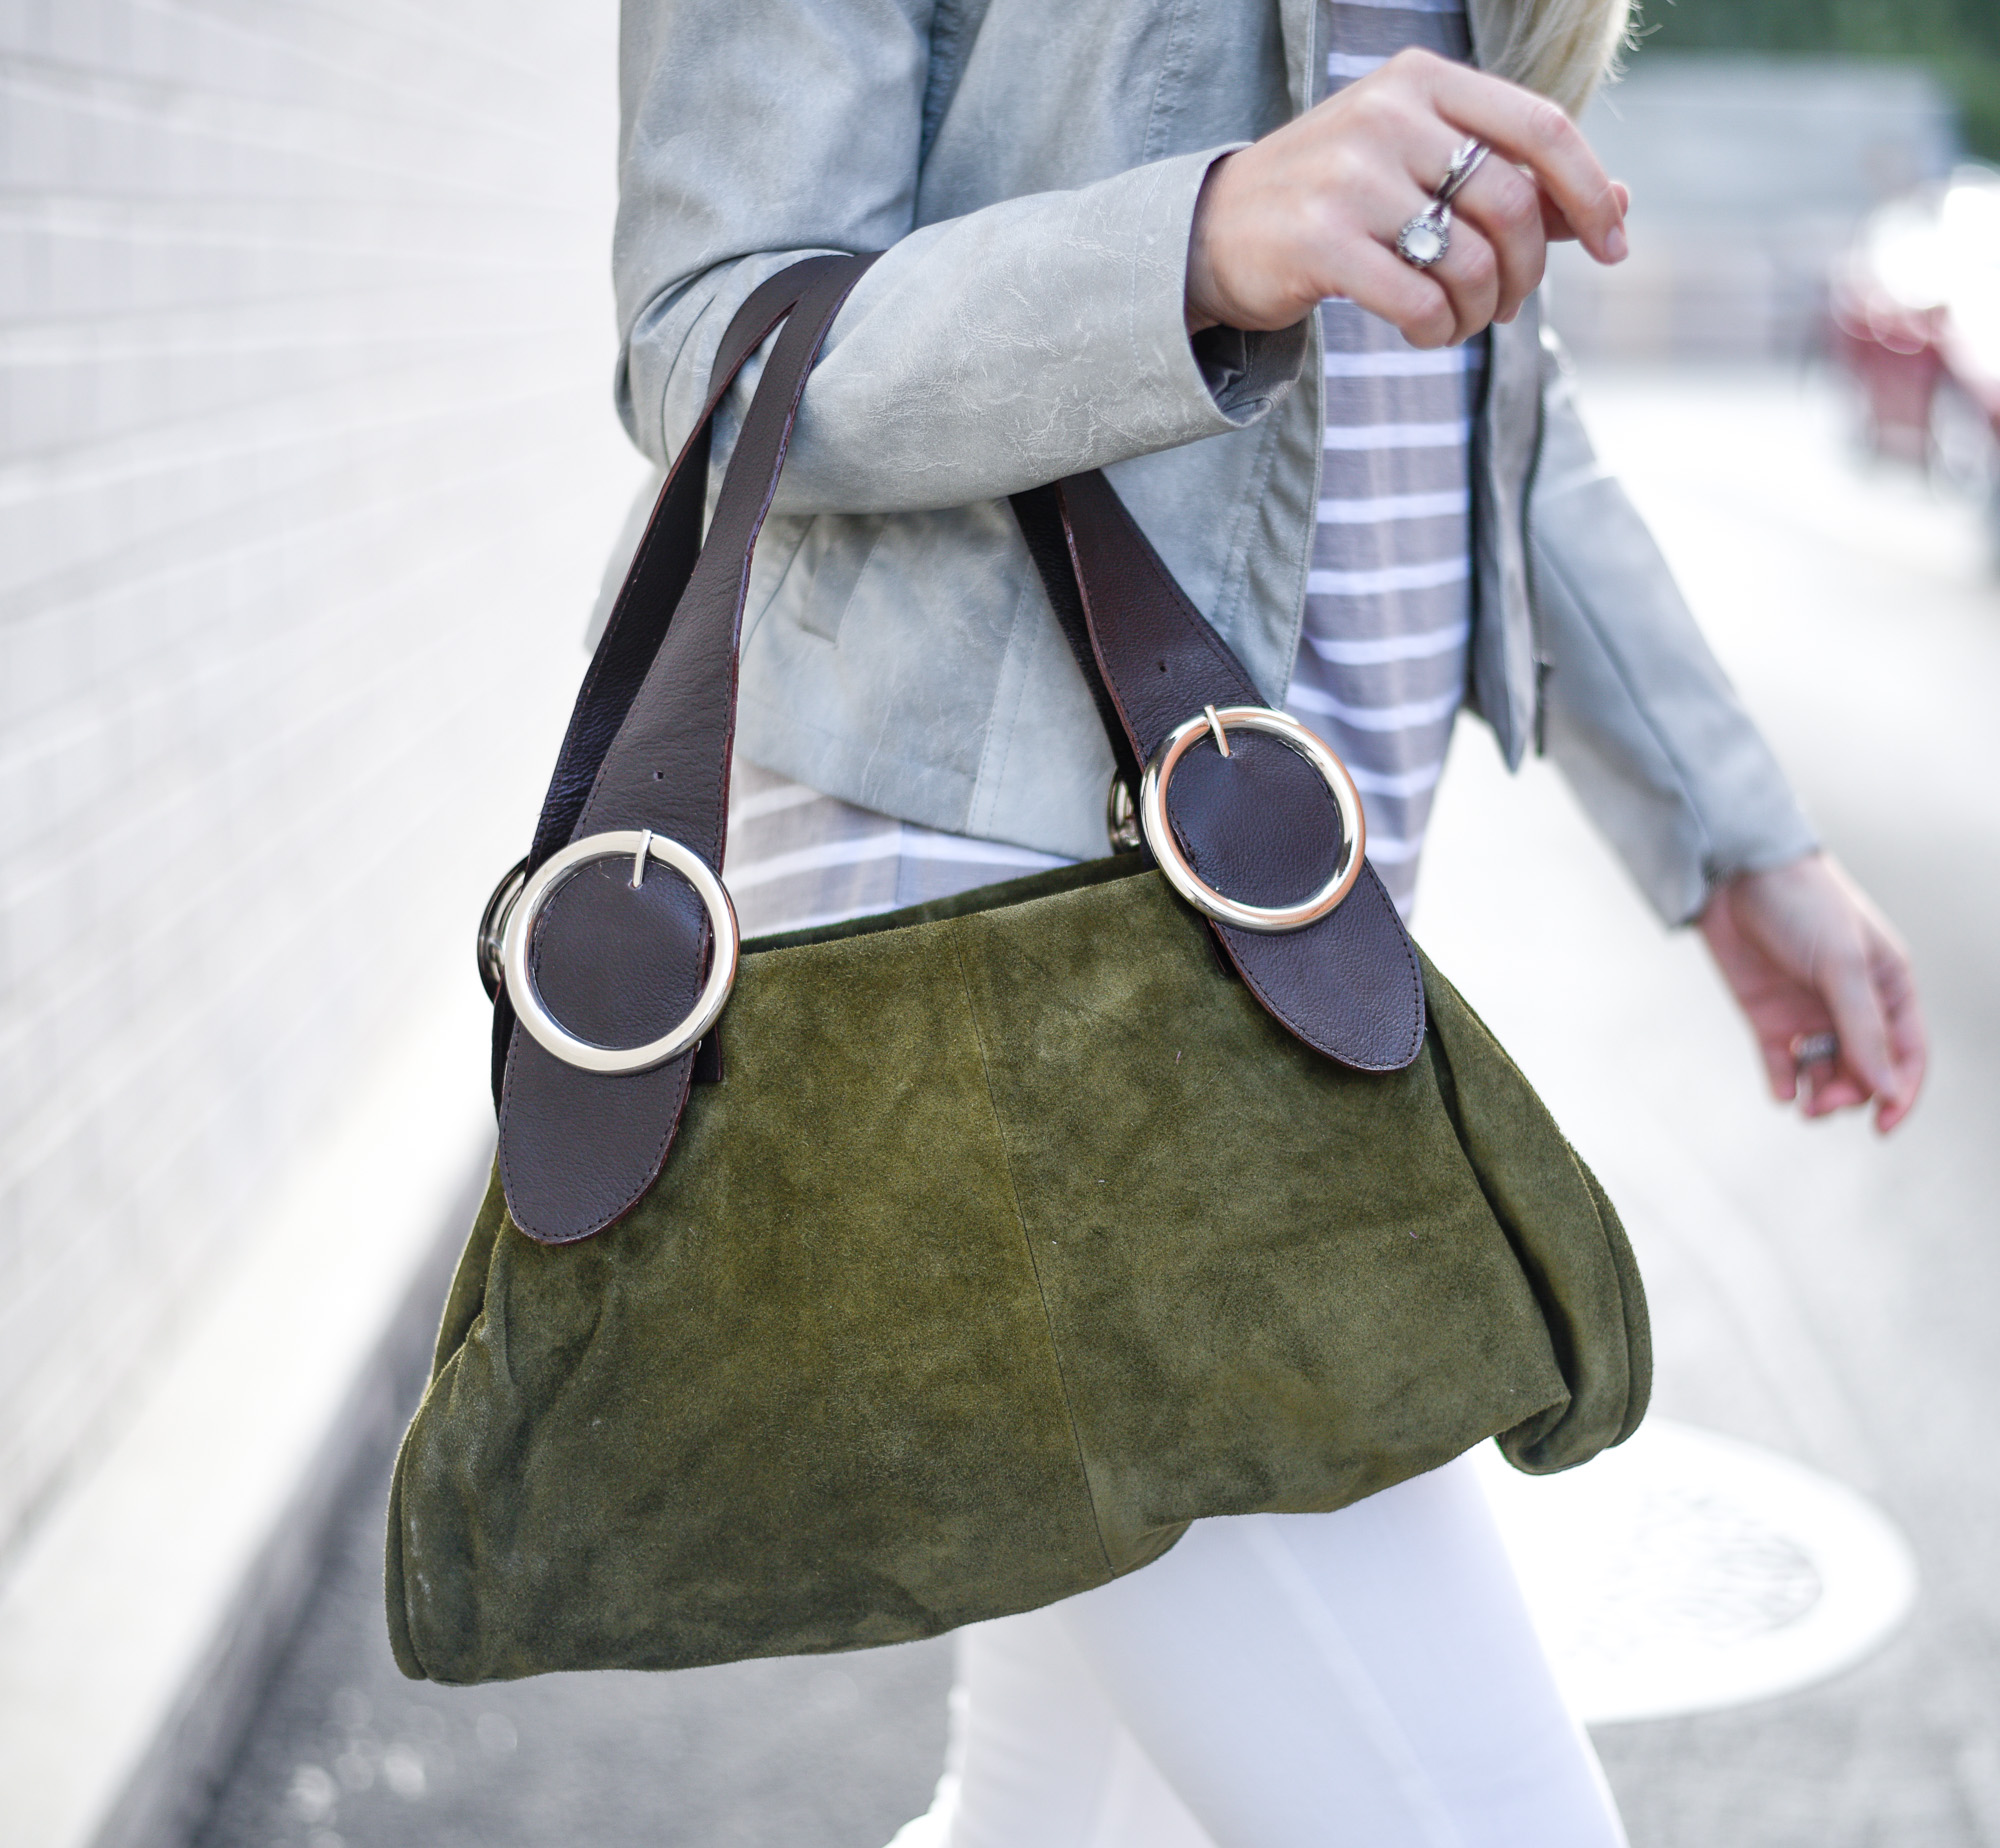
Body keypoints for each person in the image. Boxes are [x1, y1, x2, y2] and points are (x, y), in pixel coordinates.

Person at [604, 0, 1930, 1840]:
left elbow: (1496, 416)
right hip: (1009, 937)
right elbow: (716, 340)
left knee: (1049, 1819)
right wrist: (1200, 241)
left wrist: (1736, 836)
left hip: (1298, 926)